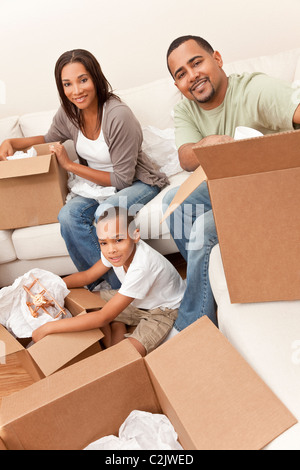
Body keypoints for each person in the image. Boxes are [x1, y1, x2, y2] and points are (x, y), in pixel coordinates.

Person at [163, 35, 300, 335]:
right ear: (178, 86)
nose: (192, 76)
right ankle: (210, 285)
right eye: (181, 74)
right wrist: (208, 144)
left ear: (218, 59)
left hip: (274, 194)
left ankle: (195, 326)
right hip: (231, 192)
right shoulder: (186, 109)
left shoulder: (253, 89)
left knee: (202, 231)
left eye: (196, 62)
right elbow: (186, 157)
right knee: (173, 203)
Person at [0, 49, 168, 290]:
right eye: (67, 84)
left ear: (95, 78)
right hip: (97, 186)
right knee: (67, 216)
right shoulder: (69, 114)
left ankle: (130, 289)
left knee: (106, 213)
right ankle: (109, 289)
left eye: (83, 80)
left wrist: (69, 166)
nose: (76, 91)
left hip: (135, 182)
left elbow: (122, 179)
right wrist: (14, 143)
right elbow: (50, 138)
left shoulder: (118, 115)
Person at [32, 207, 186, 356]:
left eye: (118, 240)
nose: (111, 249)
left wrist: (48, 328)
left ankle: (116, 328)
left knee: (122, 357)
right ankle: (118, 325)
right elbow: (87, 276)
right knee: (85, 301)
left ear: (135, 235)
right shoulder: (114, 251)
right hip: (135, 301)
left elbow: (102, 317)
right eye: (103, 243)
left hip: (162, 311)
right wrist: (51, 285)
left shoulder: (143, 265)